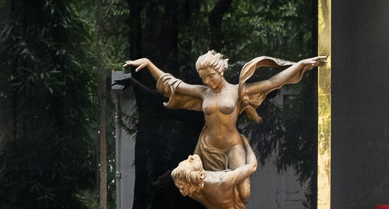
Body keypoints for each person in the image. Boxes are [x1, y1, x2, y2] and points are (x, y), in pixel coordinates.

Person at [124, 51, 326, 173]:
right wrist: (150, 64)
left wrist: (300, 65)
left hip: (231, 145)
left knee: (242, 191)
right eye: (203, 78)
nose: (207, 81)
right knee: (189, 179)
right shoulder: (203, 92)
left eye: (211, 76)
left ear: (221, 70)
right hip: (207, 148)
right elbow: (174, 84)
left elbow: (272, 82)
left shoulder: (238, 91)